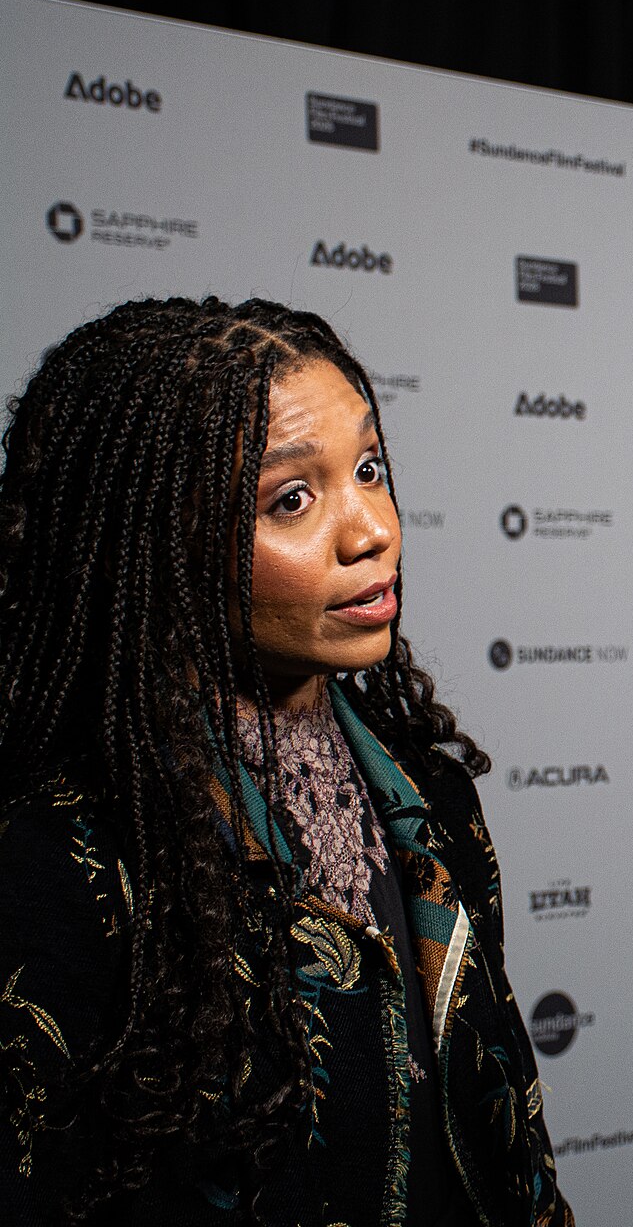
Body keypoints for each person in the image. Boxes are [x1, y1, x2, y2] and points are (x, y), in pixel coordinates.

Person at [0, 298, 571, 1225]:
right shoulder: (64, 859)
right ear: (158, 546)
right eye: (291, 499)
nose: (370, 530)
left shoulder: (432, 792)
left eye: (371, 469)